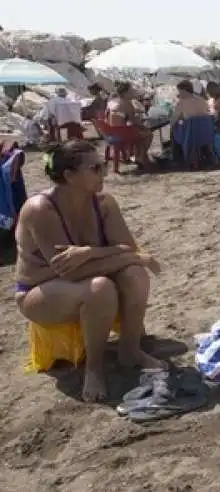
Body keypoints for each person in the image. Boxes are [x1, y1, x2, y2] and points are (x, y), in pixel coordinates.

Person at [14, 140, 164, 402]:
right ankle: (94, 370)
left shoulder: (103, 203)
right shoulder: (41, 209)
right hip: (39, 292)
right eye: (96, 168)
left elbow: (127, 247)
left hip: (87, 278)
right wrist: (129, 256)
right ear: (70, 176)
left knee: (134, 273)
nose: (104, 173)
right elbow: (69, 272)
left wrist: (91, 252)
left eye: (103, 166)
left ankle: (130, 350)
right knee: (101, 287)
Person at [106, 81, 154, 169]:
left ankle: (138, 156)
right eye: (131, 91)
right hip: (121, 134)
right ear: (125, 93)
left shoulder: (113, 101)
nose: (133, 92)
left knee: (139, 132)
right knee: (148, 134)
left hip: (110, 132)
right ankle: (140, 157)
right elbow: (134, 121)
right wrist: (144, 125)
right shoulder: (127, 103)